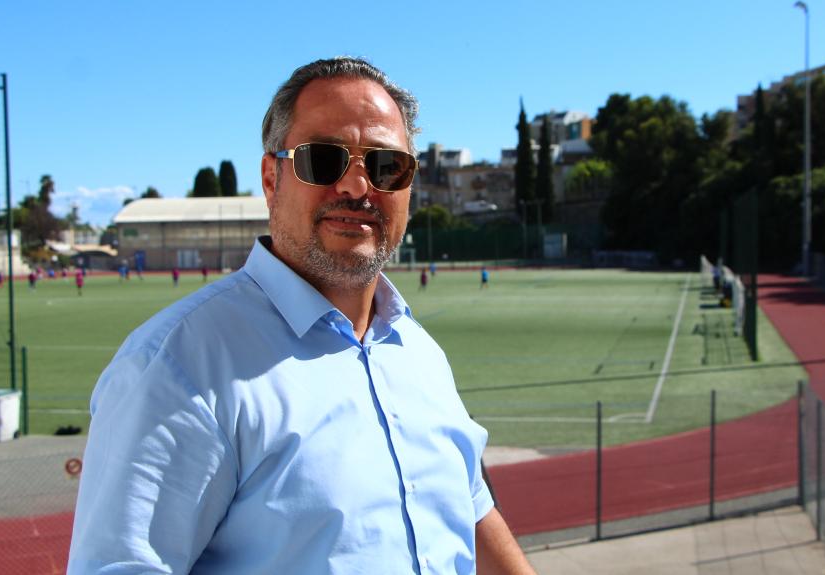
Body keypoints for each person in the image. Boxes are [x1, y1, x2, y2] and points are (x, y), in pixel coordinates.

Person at [69, 57, 534, 575]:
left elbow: (471, 512)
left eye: (387, 166)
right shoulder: (179, 367)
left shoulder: (418, 352)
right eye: (323, 160)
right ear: (272, 179)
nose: (357, 186)